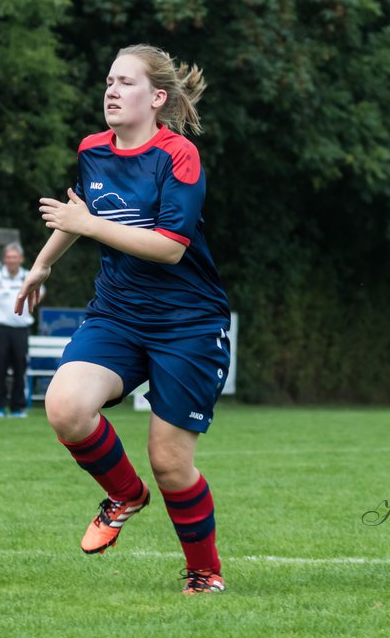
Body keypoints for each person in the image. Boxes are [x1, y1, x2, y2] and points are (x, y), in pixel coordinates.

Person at [14, 44, 232, 595]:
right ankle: (124, 495)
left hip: (188, 322)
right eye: (108, 81)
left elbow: (168, 248)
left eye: (125, 82)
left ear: (157, 98)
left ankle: (204, 574)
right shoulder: (93, 149)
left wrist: (85, 224)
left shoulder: (178, 154)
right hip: (118, 314)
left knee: (170, 461)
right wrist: (41, 267)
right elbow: (83, 213)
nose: (111, 91)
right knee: (64, 406)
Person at [0, 242, 42, 418]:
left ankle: (18, 407)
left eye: (15, 257)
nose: (12, 260)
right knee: (0, 368)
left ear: (20, 259)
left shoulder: (28, 276)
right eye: (9, 257)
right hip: (1, 328)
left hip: (21, 328)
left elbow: (40, 292)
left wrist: (31, 306)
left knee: (20, 368)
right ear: (4, 259)